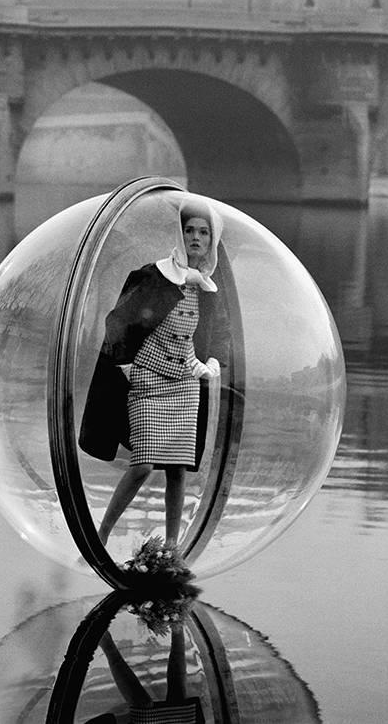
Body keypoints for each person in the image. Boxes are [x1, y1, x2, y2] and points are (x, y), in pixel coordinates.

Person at [93, 195, 231, 550]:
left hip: (186, 384)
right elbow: (118, 321)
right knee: (142, 465)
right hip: (148, 381)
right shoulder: (154, 276)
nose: (196, 238)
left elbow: (220, 335)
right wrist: (127, 367)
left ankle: (172, 547)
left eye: (203, 232)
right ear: (179, 234)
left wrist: (213, 363)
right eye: (189, 231)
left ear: (211, 240)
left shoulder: (210, 288)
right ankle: (102, 533)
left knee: (177, 470)